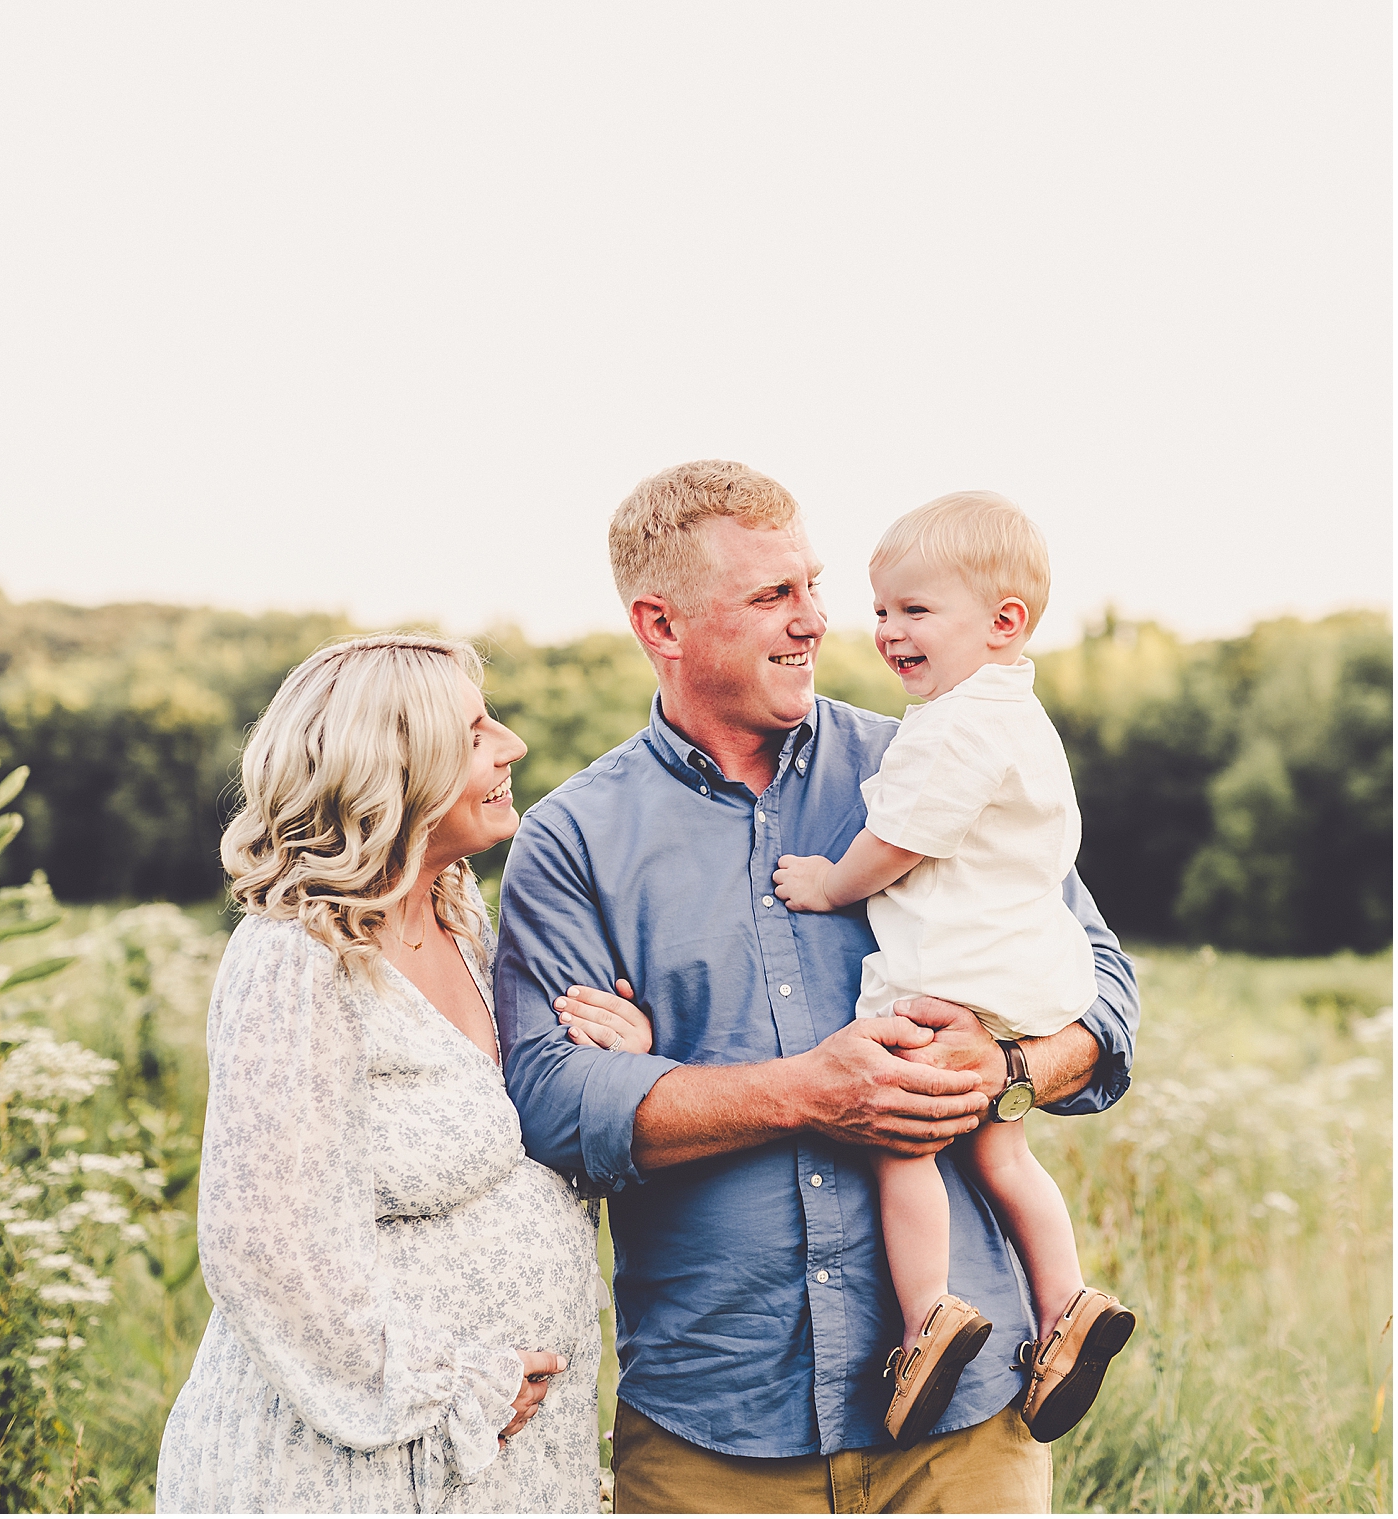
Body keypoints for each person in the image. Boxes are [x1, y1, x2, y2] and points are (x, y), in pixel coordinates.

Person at [497, 462, 1139, 1515]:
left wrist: (1011, 1067)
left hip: (965, 1438)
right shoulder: (575, 839)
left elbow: (1103, 994)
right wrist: (803, 1090)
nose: (816, 623)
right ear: (660, 625)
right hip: (712, 1432)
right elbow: (552, 1101)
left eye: (812, 586)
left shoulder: (928, 764)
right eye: (771, 597)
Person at [157, 634, 647, 1515]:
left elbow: (512, 1128)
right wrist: (450, 1386)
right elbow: (264, 1245)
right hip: (348, 1470)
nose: (511, 746)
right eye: (473, 733)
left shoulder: (461, 915)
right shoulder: (296, 957)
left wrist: (618, 1055)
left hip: (489, 1464)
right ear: (395, 771)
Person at [768, 490, 1134, 1449]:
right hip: (1026, 973)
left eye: (916, 611)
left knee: (904, 1143)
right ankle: (1067, 1306)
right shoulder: (1015, 712)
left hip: (954, 975)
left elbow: (899, 838)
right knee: (1003, 1150)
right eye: (883, 609)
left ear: (1003, 622)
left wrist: (827, 883)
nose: (887, 631)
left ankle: (929, 1315)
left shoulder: (953, 725)